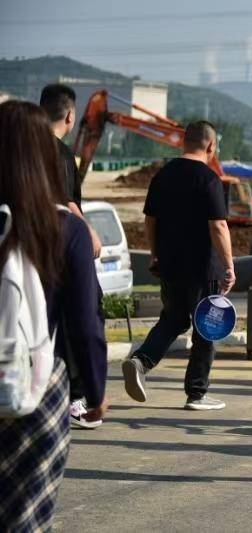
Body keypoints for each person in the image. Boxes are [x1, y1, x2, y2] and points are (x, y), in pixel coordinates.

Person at [0, 100, 107, 531]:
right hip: (38, 387)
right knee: (24, 518)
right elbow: (85, 323)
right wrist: (96, 391)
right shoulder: (65, 228)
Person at [122, 121, 235, 411]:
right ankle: (197, 393)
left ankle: (141, 360)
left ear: (183, 143)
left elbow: (150, 220)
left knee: (174, 319)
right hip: (202, 267)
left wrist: (154, 253)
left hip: (170, 264)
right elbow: (219, 226)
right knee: (206, 327)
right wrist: (229, 265)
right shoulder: (209, 179)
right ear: (211, 146)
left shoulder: (163, 175)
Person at [40, 83, 106, 428]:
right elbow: (67, 204)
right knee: (81, 311)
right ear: (70, 115)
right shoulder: (61, 154)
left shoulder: (17, 151)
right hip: (55, 247)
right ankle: (77, 397)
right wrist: (88, 233)